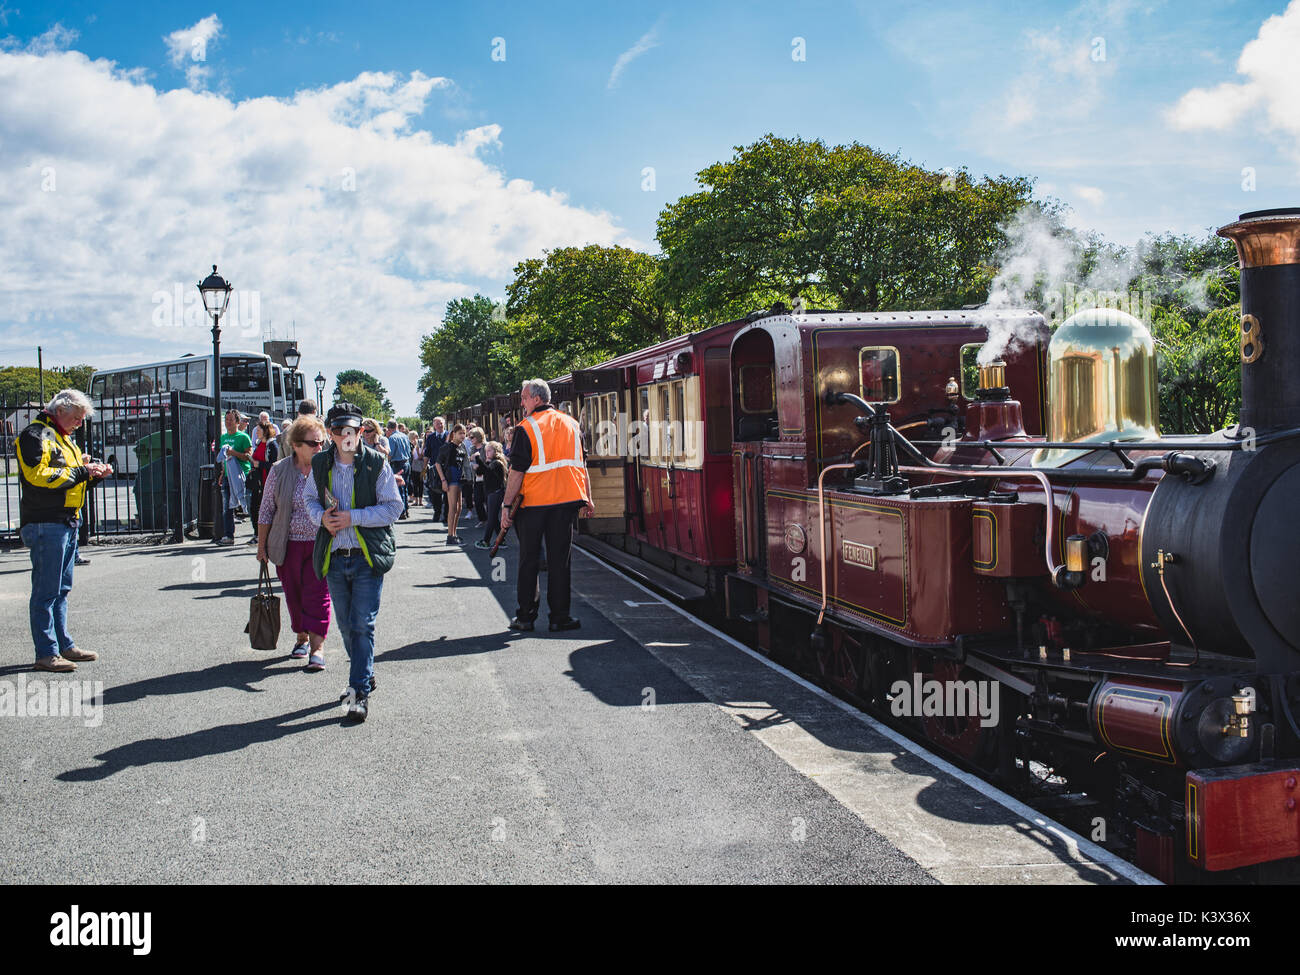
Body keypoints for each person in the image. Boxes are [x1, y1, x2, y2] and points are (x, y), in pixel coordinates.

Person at [304, 402, 402, 722]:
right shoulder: (320, 464)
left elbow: (392, 508)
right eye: (338, 431)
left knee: (363, 624)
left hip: (366, 557)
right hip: (334, 557)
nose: (345, 436)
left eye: (351, 431)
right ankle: (366, 670)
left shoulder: (376, 463)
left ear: (361, 432)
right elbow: (308, 499)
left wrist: (352, 518)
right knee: (346, 626)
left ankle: (357, 691)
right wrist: (322, 518)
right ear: (330, 434)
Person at [17, 390, 112, 672]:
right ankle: (47, 652)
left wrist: (90, 474)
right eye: (76, 418)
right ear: (60, 411)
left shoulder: (60, 437)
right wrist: (84, 472)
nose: (79, 424)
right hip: (47, 522)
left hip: (66, 521)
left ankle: (63, 646)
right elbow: (38, 475)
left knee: (60, 590)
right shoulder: (36, 434)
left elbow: (66, 479)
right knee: (47, 592)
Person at [500, 379, 595, 632]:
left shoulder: (526, 428)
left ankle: (526, 617)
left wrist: (506, 506)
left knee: (529, 560)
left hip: (532, 504)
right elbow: (581, 465)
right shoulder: (572, 424)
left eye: (524, 398)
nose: (521, 403)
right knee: (559, 561)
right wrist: (588, 497)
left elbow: (516, 472)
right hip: (565, 502)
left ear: (537, 399)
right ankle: (560, 617)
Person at [257, 416, 331, 671]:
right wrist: (261, 547)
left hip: (320, 543)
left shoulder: (328, 469)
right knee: (294, 595)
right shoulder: (279, 470)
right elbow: (266, 510)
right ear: (297, 444)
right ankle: (301, 636)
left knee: (318, 595)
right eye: (313, 443)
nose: (319, 448)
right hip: (286, 545)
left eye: (322, 443)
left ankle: (317, 647)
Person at [215, 408, 252, 546]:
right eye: (226, 420)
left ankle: (257, 534)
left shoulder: (243, 437)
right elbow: (224, 458)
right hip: (227, 476)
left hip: (241, 474)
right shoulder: (223, 437)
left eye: (230, 420)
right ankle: (228, 535)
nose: (227, 422)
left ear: (237, 422)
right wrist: (222, 473)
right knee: (227, 506)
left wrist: (233, 452)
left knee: (247, 504)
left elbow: (249, 457)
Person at [246, 417, 280, 542]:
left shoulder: (272, 445)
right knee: (254, 508)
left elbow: (275, 464)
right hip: (258, 482)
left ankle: (264, 535)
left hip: (267, 482)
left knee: (264, 509)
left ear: (266, 431)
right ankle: (257, 534)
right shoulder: (259, 444)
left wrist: (258, 464)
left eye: (259, 430)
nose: (256, 432)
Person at [434, 423, 468, 545]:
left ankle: (454, 534)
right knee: (453, 507)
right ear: (454, 434)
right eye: (460, 433)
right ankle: (450, 535)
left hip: (459, 479)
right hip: (451, 479)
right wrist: (443, 480)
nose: (463, 435)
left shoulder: (461, 447)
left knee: (459, 508)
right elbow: (438, 463)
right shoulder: (447, 447)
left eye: (464, 433)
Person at [473, 440, 508, 550]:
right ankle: (501, 540)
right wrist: (479, 464)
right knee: (493, 518)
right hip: (491, 493)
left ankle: (486, 541)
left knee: (491, 518)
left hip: (496, 493)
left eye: (489, 451)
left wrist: (478, 459)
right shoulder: (490, 462)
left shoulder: (497, 463)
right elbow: (480, 472)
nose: (487, 453)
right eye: (486, 451)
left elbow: (487, 471)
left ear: (496, 451)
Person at [385, 419, 411, 520]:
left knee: (399, 488)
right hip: (407, 462)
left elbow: (390, 454)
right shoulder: (404, 436)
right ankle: (406, 508)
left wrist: (386, 463)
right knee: (405, 487)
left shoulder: (392, 438)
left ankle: (402, 511)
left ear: (389, 428)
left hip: (398, 464)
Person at [423, 418, 448, 523]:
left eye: (441, 423)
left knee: (447, 492)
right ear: (434, 426)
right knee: (434, 491)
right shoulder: (431, 437)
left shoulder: (449, 436)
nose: (440, 425)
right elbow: (427, 453)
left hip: (447, 468)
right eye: (437, 424)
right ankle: (437, 511)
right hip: (434, 469)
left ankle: (446, 515)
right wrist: (424, 468)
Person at [468, 428, 487, 526]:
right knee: (477, 500)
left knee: (487, 500)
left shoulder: (486, 446)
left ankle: (491, 520)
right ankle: (482, 519)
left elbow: (489, 460)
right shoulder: (472, 448)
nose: (470, 439)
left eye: (472, 437)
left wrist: (480, 465)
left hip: (487, 477)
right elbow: (468, 462)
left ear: (478, 436)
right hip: (477, 477)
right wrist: (471, 461)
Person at [408, 431, 424, 507]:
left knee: (421, 484)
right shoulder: (411, 446)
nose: (416, 439)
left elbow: (421, 456)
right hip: (414, 467)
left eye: (417, 437)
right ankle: (416, 500)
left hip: (421, 467)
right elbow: (411, 456)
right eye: (414, 437)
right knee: (415, 484)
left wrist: (417, 448)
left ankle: (420, 501)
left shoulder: (421, 445)